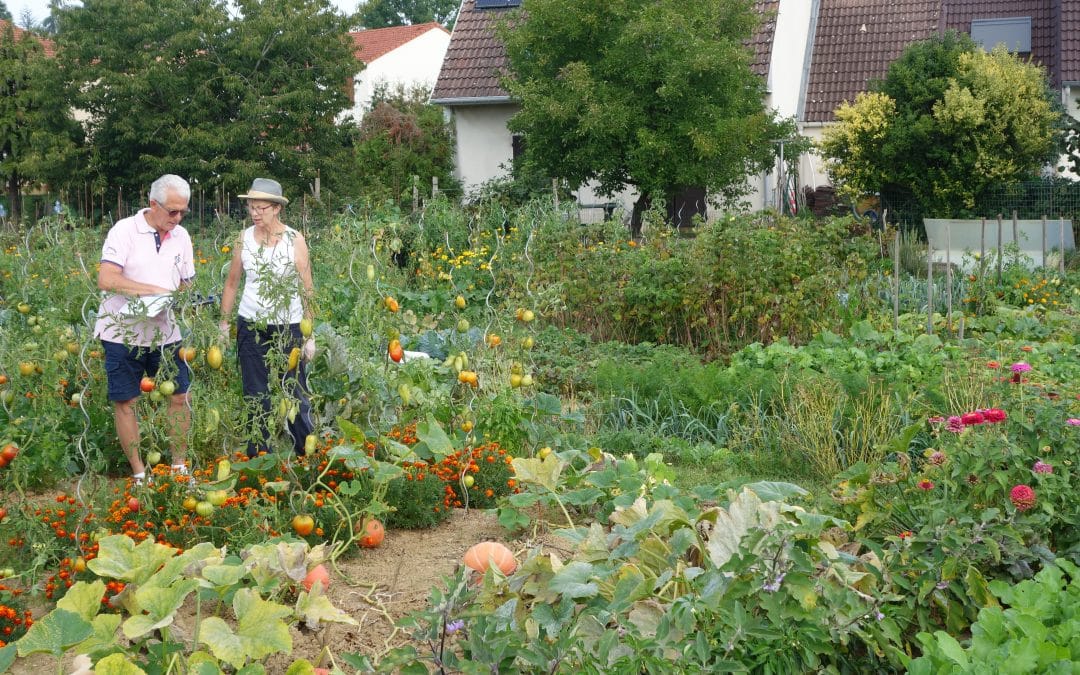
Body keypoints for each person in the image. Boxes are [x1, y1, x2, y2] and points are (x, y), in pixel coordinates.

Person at [94, 174, 195, 484]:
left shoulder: (182, 236)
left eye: (183, 212)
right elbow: (107, 279)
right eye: (172, 212)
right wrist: (151, 290)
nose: (177, 218)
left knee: (179, 396)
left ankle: (179, 468)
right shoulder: (124, 231)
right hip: (121, 332)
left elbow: (187, 281)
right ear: (153, 204)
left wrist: (181, 294)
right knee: (127, 401)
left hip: (165, 331)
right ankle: (139, 474)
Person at [219, 178, 316, 457]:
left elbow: (307, 288)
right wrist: (224, 324)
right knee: (255, 393)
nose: (254, 212)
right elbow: (231, 284)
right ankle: (259, 458)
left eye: (260, 207)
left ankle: (305, 453)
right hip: (251, 325)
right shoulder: (244, 239)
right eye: (251, 207)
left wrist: (310, 335)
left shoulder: (294, 240)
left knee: (294, 391)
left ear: (276, 208)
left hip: (289, 327)